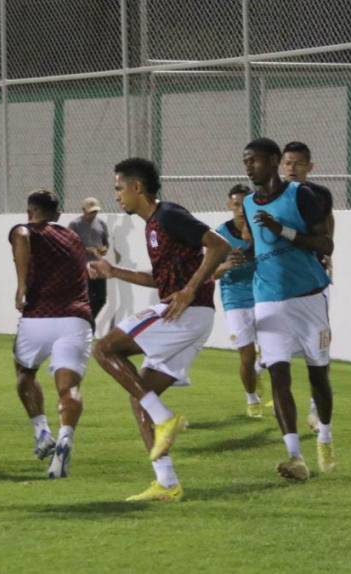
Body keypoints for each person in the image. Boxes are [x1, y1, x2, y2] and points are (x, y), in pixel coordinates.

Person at [90, 158, 229, 502]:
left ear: (137, 187)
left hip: (185, 312)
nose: (117, 195)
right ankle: (167, 483)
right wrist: (114, 272)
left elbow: (220, 245)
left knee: (103, 349)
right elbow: (160, 279)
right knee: (140, 397)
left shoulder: (168, 215)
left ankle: (164, 417)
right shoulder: (153, 226)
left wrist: (190, 288)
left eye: (119, 188)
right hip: (190, 315)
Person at [242, 138, 336, 481]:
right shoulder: (250, 204)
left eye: (253, 160)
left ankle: (324, 435)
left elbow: (325, 244)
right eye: (245, 161)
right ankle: (295, 456)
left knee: (317, 374)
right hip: (268, 297)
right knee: (278, 374)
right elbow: (258, 247)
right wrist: (241, 257)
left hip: (309, 296)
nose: (248, 166)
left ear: (274, 160)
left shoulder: (302, 196)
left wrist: (283, 230)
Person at [9, 189, 92, 478]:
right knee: (68, 389)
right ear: (58, 215)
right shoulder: (74, 238)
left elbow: (20, 235)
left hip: (37, 319)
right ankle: (65, 437)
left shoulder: (28, 229)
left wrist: (21, 285)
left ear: (30, 212)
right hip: (75, 319)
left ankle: (42, 431)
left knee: (24, 372)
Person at [280, 141, 335, 432]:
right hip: (281, 282)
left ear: (310, 167)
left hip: (313, 281)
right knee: (277, 349)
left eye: (299, 163)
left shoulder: (319, 195)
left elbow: (327, 223)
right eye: (288, 163)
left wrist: (325, 254)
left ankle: (317, 407)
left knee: (320, 343)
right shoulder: (270, 195)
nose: (292, 168)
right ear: (280, 165)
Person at [212, 184, 264, 418]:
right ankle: (251, 398)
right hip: (235, 298)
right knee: (247, 352)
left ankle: (258, 370)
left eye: (245, 205)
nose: (241, 210)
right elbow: (210, 272)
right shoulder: (220, 235)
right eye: (236, 205)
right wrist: (226, 265)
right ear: (229, 205)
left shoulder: (263, 229)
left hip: (265, 294)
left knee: (274, 351)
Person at [68, 197, 109, 326]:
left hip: (98, 266)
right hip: (82, 267)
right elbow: (70, 246)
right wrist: (88, 250)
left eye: (95, 211)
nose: (93, 214)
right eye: (91, 211)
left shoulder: (101, 224)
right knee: (86, 299)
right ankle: (86, 325)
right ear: (83, 210)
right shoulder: (75, 225)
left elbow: (106, 243)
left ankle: (87, 323)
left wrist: (104, 249)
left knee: (101, 299)